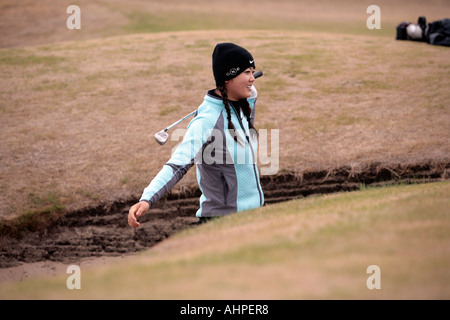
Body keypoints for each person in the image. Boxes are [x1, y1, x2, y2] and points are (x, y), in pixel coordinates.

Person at [128, 42, 264, 228]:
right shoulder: (207, 121)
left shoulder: (242, 107)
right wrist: (147, 199)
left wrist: (248, 90)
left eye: (252, 71)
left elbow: (252, 97)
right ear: (227, 78)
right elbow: (177, 165)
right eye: (246, 72)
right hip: (223, 224)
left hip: (255, 217)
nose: (252, 78)